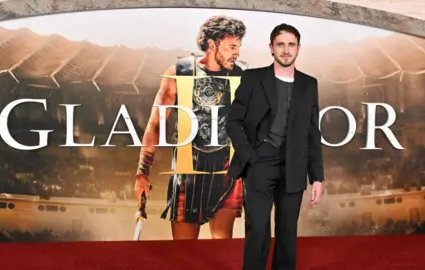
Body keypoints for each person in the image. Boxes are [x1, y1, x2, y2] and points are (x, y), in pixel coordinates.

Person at [134, 15, 248, 240]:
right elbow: (156, 123)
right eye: (232, 46)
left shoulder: (242, 75)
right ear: (212, 44)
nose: (237, 52)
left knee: (221, 247)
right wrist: (142, 172)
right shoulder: (179, 72)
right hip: (188, 170)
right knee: (185, 253)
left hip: (226, 170)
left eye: (239, 46)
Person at [226, 23, 325, 269]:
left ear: (298, 49)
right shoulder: (253, 78)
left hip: (294, 164)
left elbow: (313, 133)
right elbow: (233, 120)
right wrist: (249, 155)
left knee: (286, 233)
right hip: (260, 162)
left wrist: (317, 177)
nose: (285, 50)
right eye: (280, 44)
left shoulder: (308, 84)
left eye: (291, 45)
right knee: (258, 230)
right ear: (271, 48)